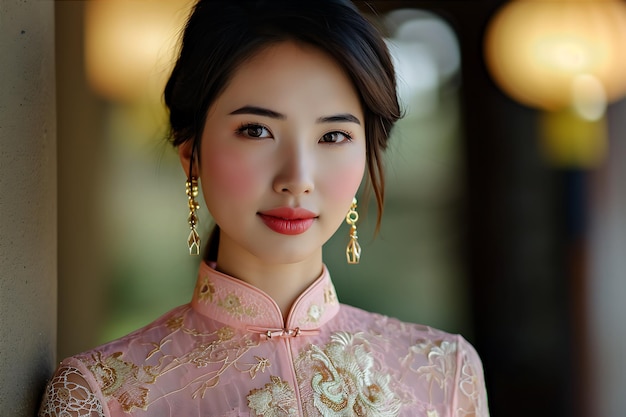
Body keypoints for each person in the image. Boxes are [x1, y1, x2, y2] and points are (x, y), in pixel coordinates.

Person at [39, 0, 489, 416]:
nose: (297, 178)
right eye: (256, 130)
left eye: (333, 136)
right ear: (191, 155)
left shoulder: (444, 374)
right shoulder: (101, 393)